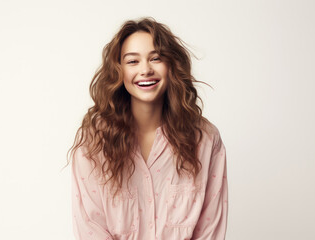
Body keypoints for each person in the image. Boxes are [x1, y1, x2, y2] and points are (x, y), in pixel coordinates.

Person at [67, 17, 228, 240]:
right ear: (118, 70)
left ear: (172, 65)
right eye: (133, 61)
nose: (145, 69)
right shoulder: (94, 143)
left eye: (156, 58)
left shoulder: (206, 139)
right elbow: (90, 228)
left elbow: (209, 231)